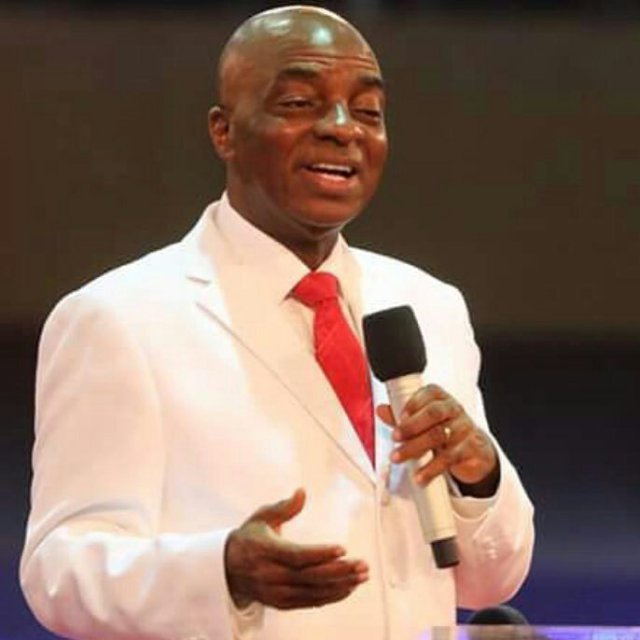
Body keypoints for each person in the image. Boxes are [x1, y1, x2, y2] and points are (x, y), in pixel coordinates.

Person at [20, 6, 534, 640]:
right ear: (224, 131)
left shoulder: (430, 304)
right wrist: (221, 570)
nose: (342, 129)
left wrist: (478, 476)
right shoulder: (119, 318)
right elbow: (60, 570)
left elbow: (491, 582)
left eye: (368, 111)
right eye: (299, 103)